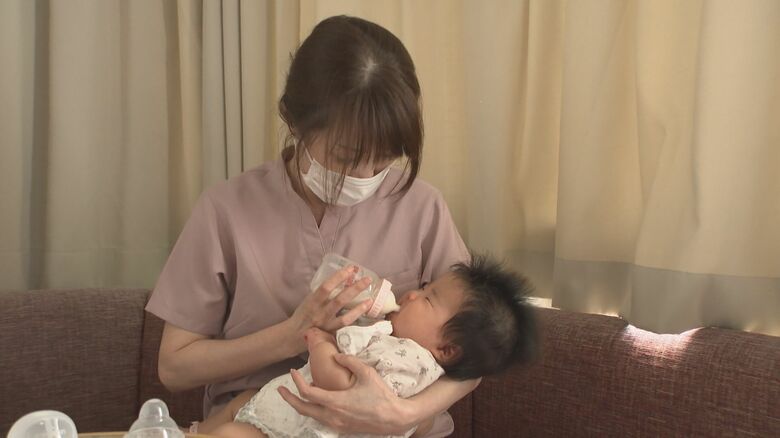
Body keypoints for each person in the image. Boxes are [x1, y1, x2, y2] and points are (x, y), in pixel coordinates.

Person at [146, 15, 475, 437]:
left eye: (383, 159)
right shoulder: (226, 212)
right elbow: (174, 367)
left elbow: (477, 347)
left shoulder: (422, 207)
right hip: (260, 422)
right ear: (293, 120)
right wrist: (291, 336)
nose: (365, 177)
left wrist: (405, 414)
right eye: (345, 157)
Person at [195, 256, 538, 438]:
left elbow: (341, 385)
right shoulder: (394, 342)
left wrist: (321, 343)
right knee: (238, 406)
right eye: (424, 288)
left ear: (447, 349)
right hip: (282, 412)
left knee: (232, 433)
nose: (411, 294)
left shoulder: (411, 361)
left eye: (428, 298)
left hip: (298, 430)